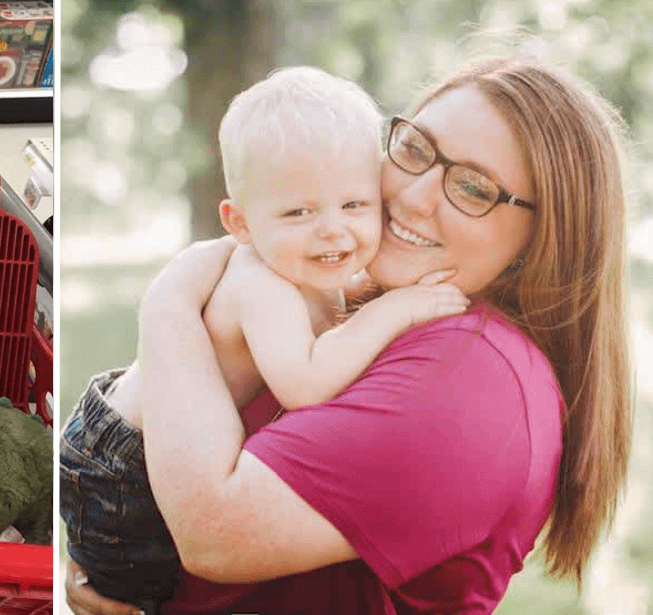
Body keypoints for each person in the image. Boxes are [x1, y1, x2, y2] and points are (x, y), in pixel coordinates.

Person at [65, 56, 633, 615]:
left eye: (474, 188)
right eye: (415, 150)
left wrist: (168, 304)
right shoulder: (377, 300)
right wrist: (107, 538)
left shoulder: (474, 381)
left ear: (545, 235)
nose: (412, 195)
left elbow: (212, 532)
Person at [60, 67, 470, 615]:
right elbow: (305, 383)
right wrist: (395, 310)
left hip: (127, 433)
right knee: (134, 600)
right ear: (242, 222)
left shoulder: (307, 268)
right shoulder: (262, 285)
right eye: (298, 212)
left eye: (353, 205)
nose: (331, 230)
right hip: (120, 460)